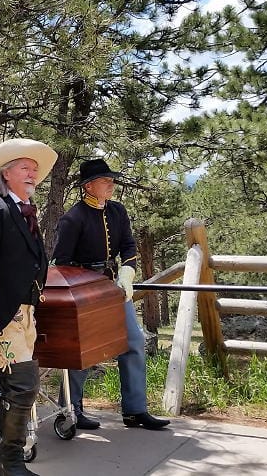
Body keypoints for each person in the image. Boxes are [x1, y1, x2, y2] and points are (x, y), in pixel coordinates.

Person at [52, 158, 170, 431]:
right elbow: (61, 263)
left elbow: (128, 246)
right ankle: (70, 410)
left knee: (134, 341)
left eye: (111, 180)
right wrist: (82, 290)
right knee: (82, 350)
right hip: (83, 293)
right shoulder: (72, 218)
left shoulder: (118, 211)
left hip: (114, 289)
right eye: (105, 181)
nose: (111, 184)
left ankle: (135, 410)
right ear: (89, 186)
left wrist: (127, 273)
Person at [0, 139, 57, 476]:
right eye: (25, 168)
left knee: (18, 387)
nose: (32, 173)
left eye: (34, 169)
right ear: (7, 174)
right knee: (22, 385)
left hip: (26, 313)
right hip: (2, 314)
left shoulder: (26, 211)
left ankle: (8, 462)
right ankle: (10, 462)